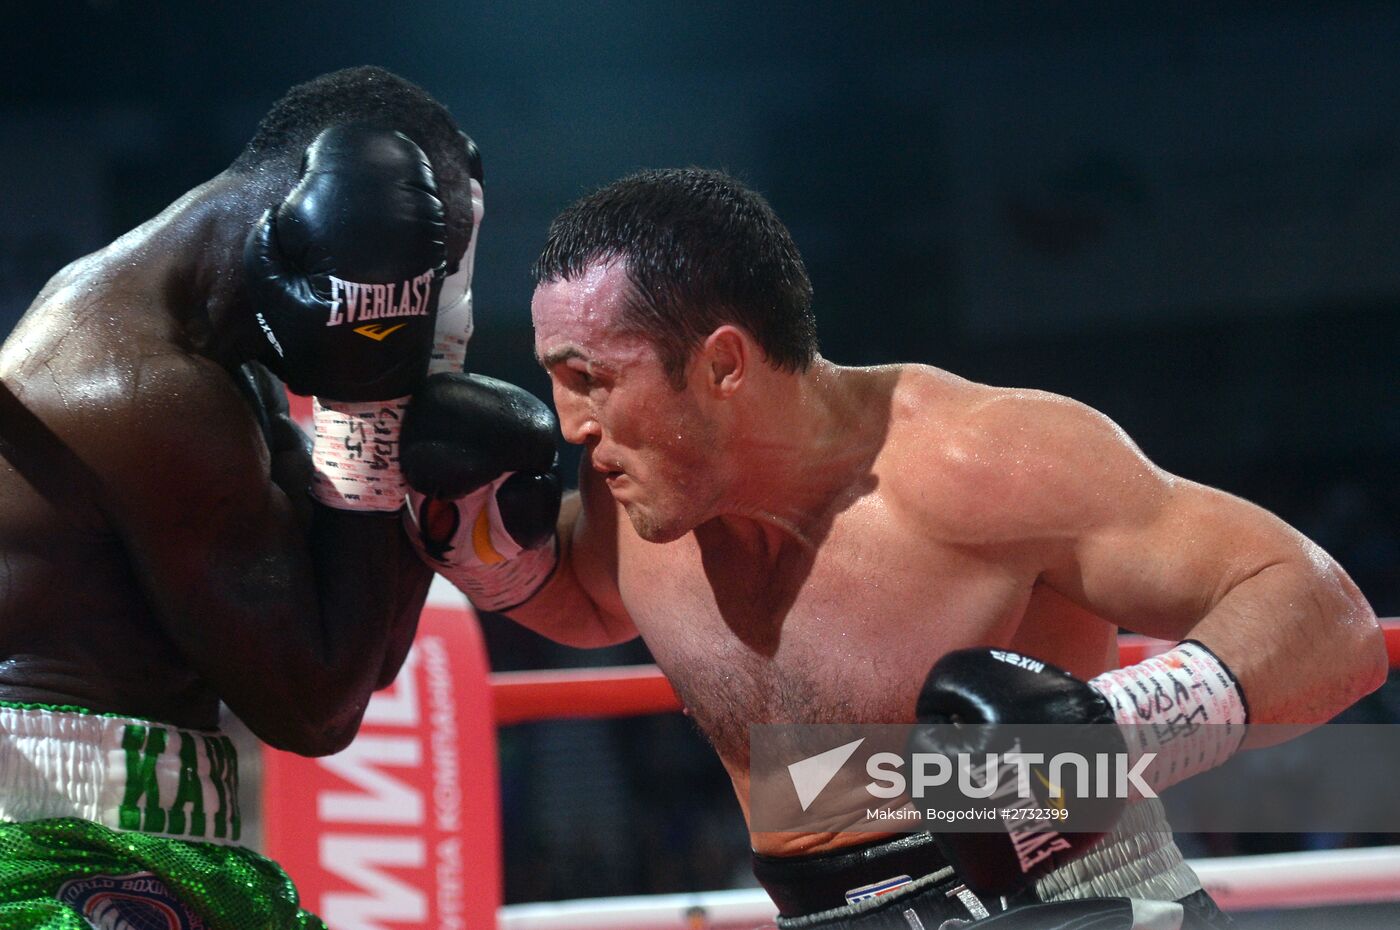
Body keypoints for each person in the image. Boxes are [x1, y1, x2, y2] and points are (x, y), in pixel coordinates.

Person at [408, 168, 1386, 928]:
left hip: (1065, 898)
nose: (569, 424)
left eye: (590, 379)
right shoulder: (638, 494)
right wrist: (477, 537)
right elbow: (583, 604)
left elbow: (1326, 622)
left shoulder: (981, 462)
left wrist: (1105, 733)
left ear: (720, 364)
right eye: (556, 381)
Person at [0, 67, 485, 930]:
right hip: (48, 853)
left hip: (169, 847)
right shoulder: (136, 384)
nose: (401, 322)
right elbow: (315, 708)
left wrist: (423, 382)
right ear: (313, 216)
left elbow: (361, 654)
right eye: (409, 285)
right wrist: (371, 401)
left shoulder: (229, 373)